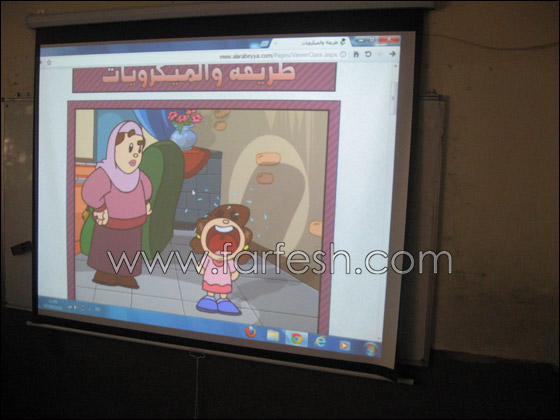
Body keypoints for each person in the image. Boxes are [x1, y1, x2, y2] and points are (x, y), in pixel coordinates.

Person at [82, 121, 152, 289]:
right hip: (110, 224)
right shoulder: (105, 173)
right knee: (107, 247)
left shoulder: (139, 176)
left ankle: (126, 275)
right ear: (113, 149)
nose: (135, 155)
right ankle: (105, 273)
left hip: (134, 225)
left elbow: (147, 189)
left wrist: (146, 203)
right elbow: (90, 192)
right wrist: (100, 208)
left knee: (130, 250)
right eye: (130, 148)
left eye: (138, 150)